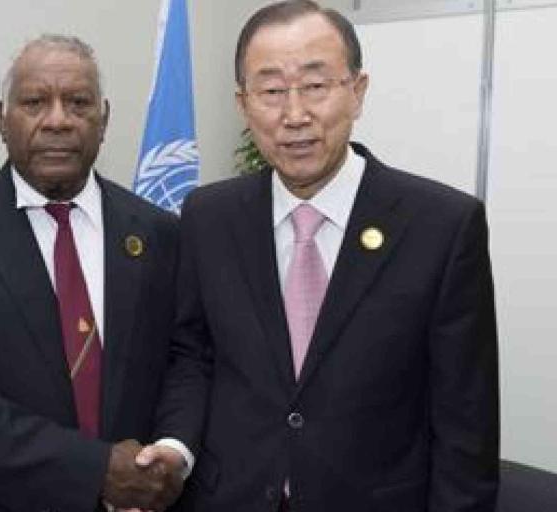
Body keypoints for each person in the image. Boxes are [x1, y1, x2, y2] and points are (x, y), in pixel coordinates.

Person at [137, 2, 500, 511]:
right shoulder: (208, 216)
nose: (295, 114)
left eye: (315, 85)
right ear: (244, 105)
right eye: (271, 91)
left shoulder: (442, 226)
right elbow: (193, 355)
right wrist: (176, 446)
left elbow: (466, 426)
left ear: (358, 91)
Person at [0, 34, 183, 512]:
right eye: (34, 102)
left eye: (78, 102)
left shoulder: (160, 233)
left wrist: (171, 452)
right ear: (2, 120)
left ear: (103, 119)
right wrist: (96, 470)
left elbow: (185, 360)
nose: (58, 120)